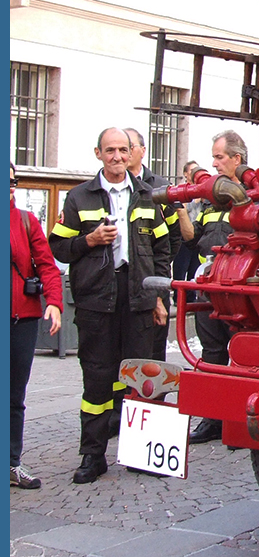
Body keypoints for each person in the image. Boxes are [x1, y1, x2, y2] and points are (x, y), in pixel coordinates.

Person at [48, 127, 171, 483]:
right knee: (98, 379)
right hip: (97, 299)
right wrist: (89, 239)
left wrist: (160, 297)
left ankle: (144, 453)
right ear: (98, 154)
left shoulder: (149, 196)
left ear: (132, 152)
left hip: (139, 296)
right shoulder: (78, 198)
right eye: (110, 150)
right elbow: (58, 248)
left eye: (123, 149)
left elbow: (163, 252)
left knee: (144, 377)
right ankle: (93, 456)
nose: (117, 156)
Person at [177, 131, 247, 444]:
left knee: (243, 355)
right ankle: (213, 420)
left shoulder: (252, 194)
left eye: (219, 157)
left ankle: (239, 421)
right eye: (214, 157)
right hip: (209, 288)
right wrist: (181, 210)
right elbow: (195, 240)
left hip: (240, 293)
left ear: (237, 159)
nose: (214, 163)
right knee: (211, 353)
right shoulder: (209, 200)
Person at [10, 163, 64, 489]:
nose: (9, 187)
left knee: (14, 395)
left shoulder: (26, 221)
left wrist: (55, 303)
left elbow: (47, 266)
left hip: (21, 319)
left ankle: (11, 463)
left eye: (12, 181)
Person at [121, 128, 182, 419]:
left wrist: (155, 269)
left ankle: (152, 415)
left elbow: (171, 239)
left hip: (151, 284)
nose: (124, 153)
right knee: (119, 356)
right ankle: (117, 417)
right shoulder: (114, 188)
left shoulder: (158, 187)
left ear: (141, 150)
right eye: (119, 148)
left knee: (152, 354)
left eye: (129, 147)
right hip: (120, 288)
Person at [171, 160, 202, 303]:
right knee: (181, 267)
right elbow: (181, 209)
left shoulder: (202, 191)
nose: (195, 173)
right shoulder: (182, 190)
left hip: (198, 236)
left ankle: (190, 298)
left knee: (194, 268)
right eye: (192, 171)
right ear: (185, 174)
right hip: (184, 235)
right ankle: (178, 298)